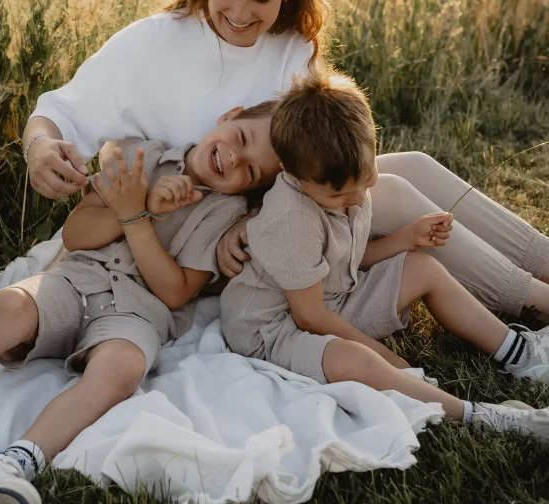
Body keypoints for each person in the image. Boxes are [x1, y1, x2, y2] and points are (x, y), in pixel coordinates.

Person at [20, 0, 549, 323]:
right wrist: (40, 148)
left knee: (408, 165)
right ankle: (533, 299)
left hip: (265, 221)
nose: (240, 13)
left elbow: (310, 159)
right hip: (206, 247)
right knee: (388, 190)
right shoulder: (150, 43)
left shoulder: (291, 48)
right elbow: (54, 115)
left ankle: (542, 263)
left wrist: (250, 220)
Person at [0, 105, 282, 503]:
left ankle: (12, 465)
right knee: (5, 307)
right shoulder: (144, 156)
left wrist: (142, 219)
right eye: (241, 138)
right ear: (230, 116)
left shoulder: (228, 214)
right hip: (76, 279)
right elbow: (77, 234)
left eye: (251, 170)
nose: (234, 158)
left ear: (254, 188)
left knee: (122, 368)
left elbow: (176, 292)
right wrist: (133, 207)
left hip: (138, 314)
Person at [220, 71, 549, 437]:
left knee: (423, 267)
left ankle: (521, 355)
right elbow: (309, 316)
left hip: (331, 295)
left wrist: (407, 238)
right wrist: (384, 357)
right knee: (356, 358)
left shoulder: (344, 181)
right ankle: (483, 417)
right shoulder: (292, 218)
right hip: (274, 327)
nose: (358, 199)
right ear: (292, 175)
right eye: (341, 197)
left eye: (368, 180)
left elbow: (344, 261)